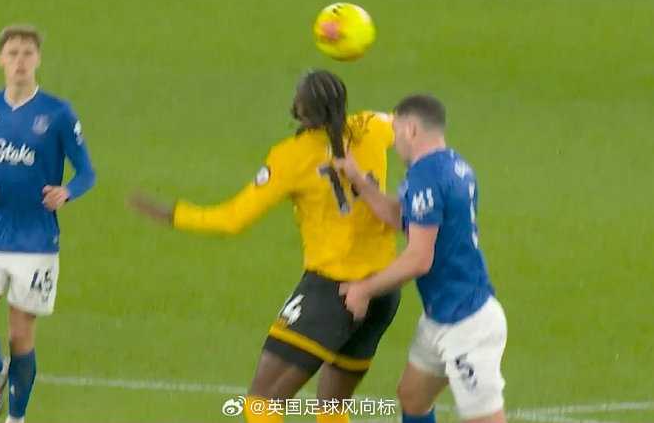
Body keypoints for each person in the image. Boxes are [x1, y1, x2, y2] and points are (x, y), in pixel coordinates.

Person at [130, 70, 399, 423]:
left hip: (334, 291)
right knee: (332, 409)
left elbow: (232, 220)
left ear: (300, 110)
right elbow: (408, 124)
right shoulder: (371, 128)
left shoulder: (291, 157)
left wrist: (173, 214)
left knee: (261, 404)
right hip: (384, 289)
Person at [336, 94, 508, 423]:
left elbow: (418, 259)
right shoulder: (452, 166)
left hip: (466, 323)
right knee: (413, 397)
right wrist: (358, 180)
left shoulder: (425, 177)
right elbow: (400, 217)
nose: (395, 143)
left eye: (396, 132)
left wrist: (363, 289)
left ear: (411, 130)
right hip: (441, 315)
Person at [0, 25, 96, 422]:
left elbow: (87, 172)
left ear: (37, 59)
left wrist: (67, 192)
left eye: (26, 53)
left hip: (36, 240)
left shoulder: (58, 113)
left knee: (21, 337)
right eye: (13, 53)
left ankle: (16, 419)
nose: (19, 61)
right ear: (1, 60)